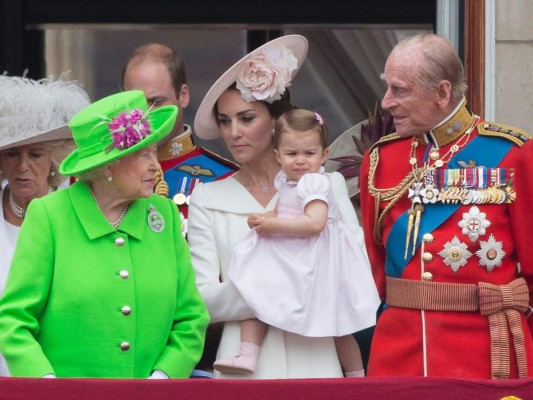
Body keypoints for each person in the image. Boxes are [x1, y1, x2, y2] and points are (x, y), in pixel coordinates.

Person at [189, 34, 367, 379]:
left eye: (246, 118)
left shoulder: (326, 185)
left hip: (315, 359)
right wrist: (287, 288)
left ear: (275, 120)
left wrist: (266, 287)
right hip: (241, 365)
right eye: (225, 121)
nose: (233, 132)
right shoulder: (206, 198)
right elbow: (203, 300)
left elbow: (351, 270)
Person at [0, 90, 209, 378]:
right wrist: (46, 386)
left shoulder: (165, 216)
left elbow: (191, 319)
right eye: (143, 154)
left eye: (154, 152)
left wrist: (162, 378)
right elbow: (13, 321)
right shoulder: (50, 216)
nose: (156, 166)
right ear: (108, 165)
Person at [360, 33, 533, 379]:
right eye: (388, 87)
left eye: (400, 90)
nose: (386, 102)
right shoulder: (381, 159)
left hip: (485, 353)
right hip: (398, 353)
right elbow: (375, 265)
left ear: (441, 92)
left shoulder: (513, 154)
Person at [212, 109, 380, 377]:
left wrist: (273, 226)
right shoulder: (287, 181)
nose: (300, 161)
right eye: (292, 154)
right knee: (254, 289)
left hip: (318, 260)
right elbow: (281, 211)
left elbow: (314, 223)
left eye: (309, 154)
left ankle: (356, 374)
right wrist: (266, 217)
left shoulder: (316, 183)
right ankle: (248, 352)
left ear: (324, 155)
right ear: (278, 156)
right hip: (296, 253)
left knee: (339, 328)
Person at [0, 74, 90, 377]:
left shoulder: (79, 212)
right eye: (12, 153)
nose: (22, 166)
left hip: (59, 375)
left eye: (35, 154)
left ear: (54, 158)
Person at [122, 43, 238, 236]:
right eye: (134, 104)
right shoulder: (103, 174)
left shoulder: (224, 178)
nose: (145, 115)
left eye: (156, 102)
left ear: (183, 96)